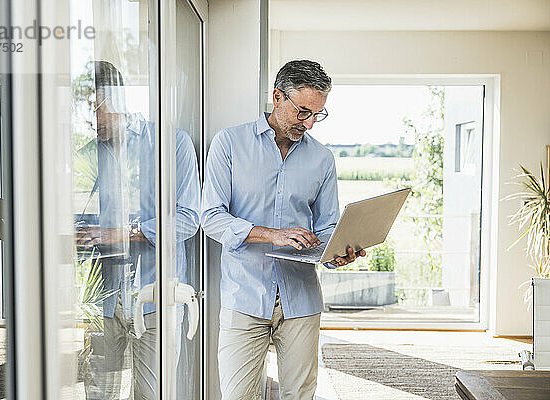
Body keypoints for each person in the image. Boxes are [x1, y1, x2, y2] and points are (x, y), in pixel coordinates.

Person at [201, 59, 366, 399]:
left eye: (317, 114)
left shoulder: (322, 159)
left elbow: (327, 226)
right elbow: (211, 217)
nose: (308, 123)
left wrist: (338, 252)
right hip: (244, 298)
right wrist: (271, 234)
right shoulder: (229, 144)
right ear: (277, 97)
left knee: (300, 396)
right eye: (302, 111)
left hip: (301, 299)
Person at [76, 60, 201, 399]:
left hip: (154, 298)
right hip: (104, 301)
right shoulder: (88, 153)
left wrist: (121, 233)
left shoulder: (171, 142)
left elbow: (190, 218)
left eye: (94, 109)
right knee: (100, 393)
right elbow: (85, 216)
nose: (89, 120)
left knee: (153, 394)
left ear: (115, 100)